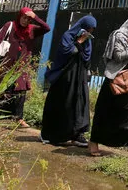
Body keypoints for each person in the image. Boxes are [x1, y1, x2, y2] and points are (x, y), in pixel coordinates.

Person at [88, 11, 128, 162]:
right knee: (105, 111)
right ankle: (93, 142)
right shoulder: (119, 35)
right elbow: (118, 56)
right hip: (114, 79)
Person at [40, 15, 97, 147]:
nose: (89, 31)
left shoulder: (88, 40)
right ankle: (53, 134)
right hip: (65, 77)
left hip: (79, 77)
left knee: (79, 104)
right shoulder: (67, 36)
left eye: (91, 30)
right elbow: (67, 52)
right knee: (61, 103)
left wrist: (83, 42)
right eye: (87, 28)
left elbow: (86, 57)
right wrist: (79, 42)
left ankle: (77, 135)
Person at [0, 7, 51, 128]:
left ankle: (18, 118)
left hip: (22, 66)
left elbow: (47, 28)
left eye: (28, 19)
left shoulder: (32, 30)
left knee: (21, 91)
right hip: (7, 64)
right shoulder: (10, 25)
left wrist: (35, 17)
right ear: (19, 16)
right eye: (23, 17)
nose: (25, 21)